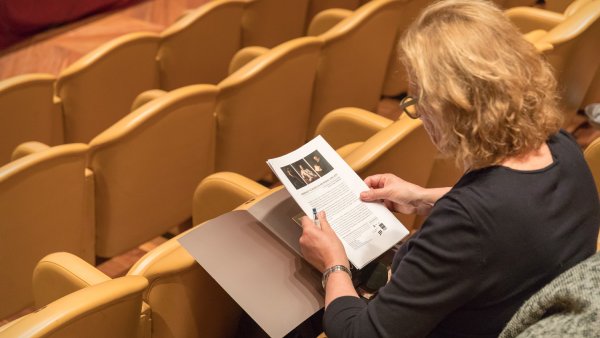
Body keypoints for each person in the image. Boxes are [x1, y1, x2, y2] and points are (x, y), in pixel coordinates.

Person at [298, 1, 600, 337]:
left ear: (450, 109)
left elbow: (363, 334)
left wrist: (332, 263)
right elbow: (517, 210)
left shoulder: (465, 223)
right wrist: (422, 197)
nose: (419, 114)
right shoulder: (562, 147)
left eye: (418, 101)